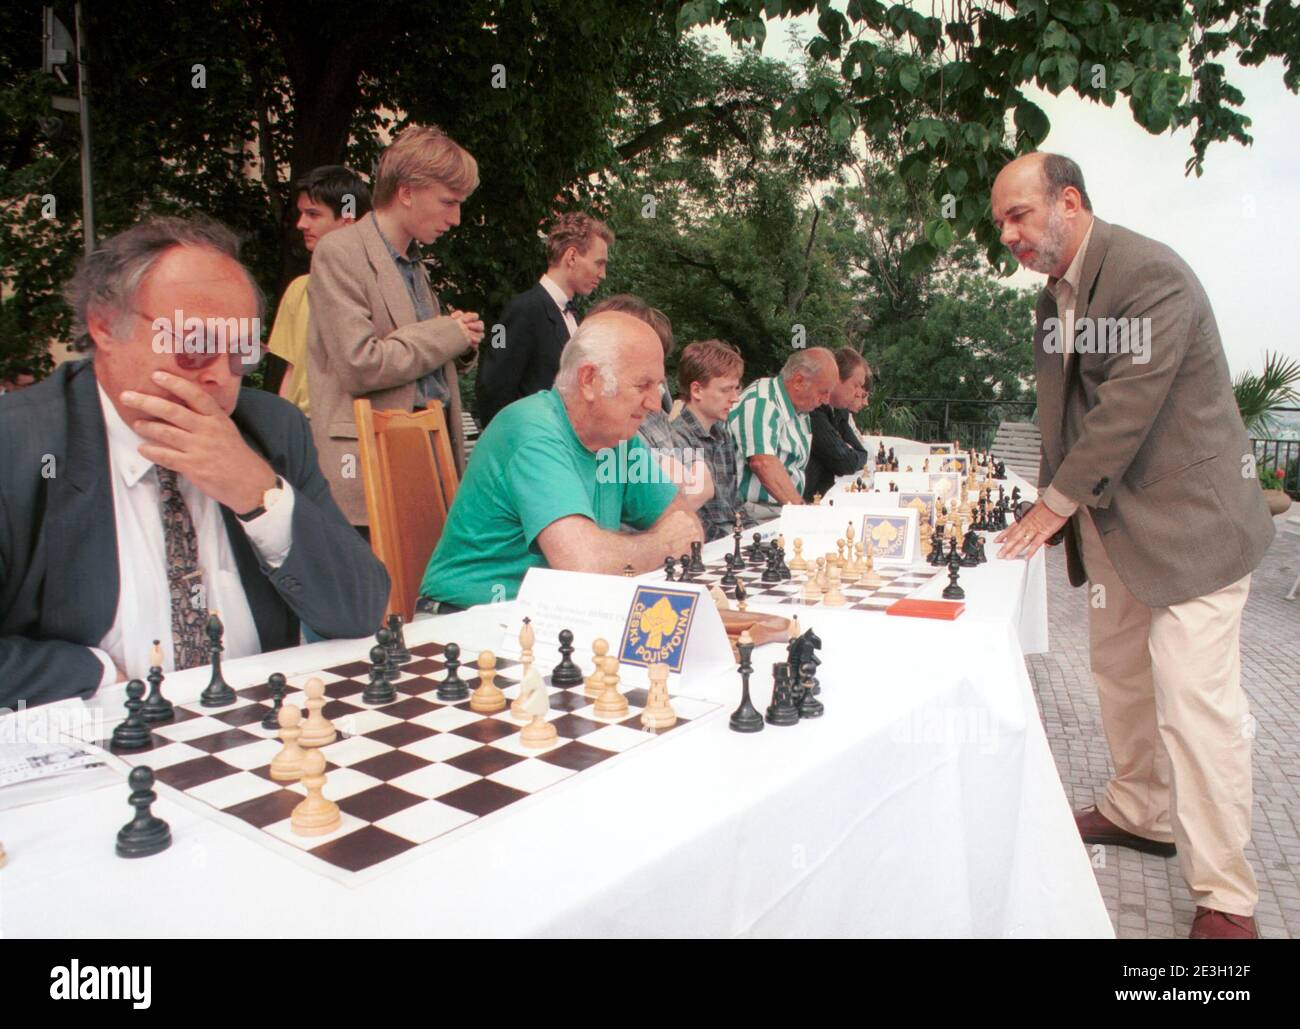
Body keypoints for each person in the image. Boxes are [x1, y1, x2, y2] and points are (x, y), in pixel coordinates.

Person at [991, 152, 1275, 940]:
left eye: (1018, 215)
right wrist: (1050, 507)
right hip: (1113, 524)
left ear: (1069, 201)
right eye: (1001, 223)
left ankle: (1228, 896)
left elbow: (1123, 412)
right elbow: (1063, 420)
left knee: (1196, 705)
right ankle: (1141, 809)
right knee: (1118, 675)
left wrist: (1050, 508)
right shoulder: (1054, 299)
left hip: (1193, 528)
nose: (1007, 234)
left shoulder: (1151, 275)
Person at [0, 216, 390, 708]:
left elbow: (359, 610)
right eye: (192, 344)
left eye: (241, 352)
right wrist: (92, 671)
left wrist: (261, 497)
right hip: (86, 750)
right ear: (104, 325)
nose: (218, 377)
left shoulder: (270, 429)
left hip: (255, 739)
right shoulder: (17, 445)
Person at [417, 311, 704, 610]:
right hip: (465, 620)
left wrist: (643, 547)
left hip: (550, 617)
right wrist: (664, 544)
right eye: (642, 386)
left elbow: (686, 525)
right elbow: (584, 565)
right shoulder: (531, 429)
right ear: (589, 380)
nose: (656, 405)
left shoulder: (619, 438)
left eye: (657, 387)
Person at [306, 124, 485, 531]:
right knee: (382, 595)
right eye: (448, 202)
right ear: (406, 192)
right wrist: (447, 334)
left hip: (426, 460)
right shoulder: (341, 252)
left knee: (422, 593)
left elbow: (415, 360)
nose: (456, 218)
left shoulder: (413, 263)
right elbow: (360, 363)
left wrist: (460, 342)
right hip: (370, 471)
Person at [474, 212, 613, 428]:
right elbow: (492, 387)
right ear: (572, 256)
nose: (603, 274)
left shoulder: (571, 314)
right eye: (599, 263)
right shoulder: (522, 309)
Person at [266, 165, 372, 418]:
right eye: (301, 213)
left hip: (351, 426)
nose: (301, 224)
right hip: (302, 427)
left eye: (313, 214)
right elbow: (291, 372)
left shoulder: (377, 288)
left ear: (348, 220)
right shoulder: (299, 288)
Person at [728, 347, 837, 520]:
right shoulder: (761, 402)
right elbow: (763, 463)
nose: (826, 400)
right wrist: (802, 512)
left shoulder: (800, 410)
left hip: (781, 509)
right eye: (823, 392)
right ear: (799, 381)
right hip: (755, 513)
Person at [666, 339, 754, 542]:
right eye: (725, 390)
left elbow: (735, 504)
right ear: (696, 390)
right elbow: (692, 517)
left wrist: (756, 536)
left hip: (731, 540)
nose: (735, 398)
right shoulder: (676, 441)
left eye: (736, 388)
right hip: (707, 546)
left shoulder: (722, 435)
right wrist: (741, 541)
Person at [803, 346, 871, 500]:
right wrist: (848, 452)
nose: (858, 393)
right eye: (856, 385)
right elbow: (843, 462)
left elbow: (862, 452)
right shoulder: (815, 409)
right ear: (837, 378)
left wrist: (849, 452)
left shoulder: (840, 410)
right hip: (808, 501)